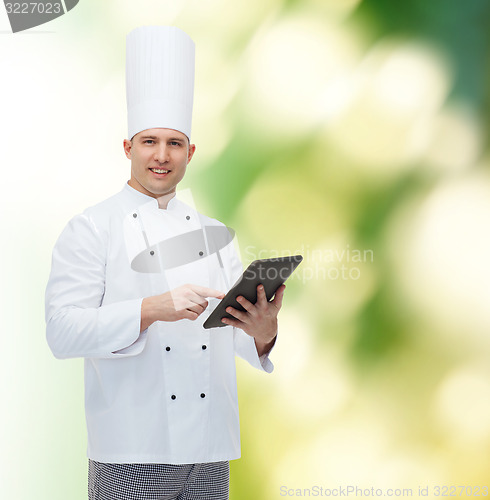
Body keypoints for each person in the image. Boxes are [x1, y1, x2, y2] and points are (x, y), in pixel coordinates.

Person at [45, 25, 285, 500]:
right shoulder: (91, 227)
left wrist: (263, 331)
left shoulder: (215, 234)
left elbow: (237, 340)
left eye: (174, 143)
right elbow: (61, 332)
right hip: (133, 449)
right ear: (127, 147)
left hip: (211, 448)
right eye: (149, 141)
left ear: (191, 152)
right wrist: (153, 308)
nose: (161, 155)